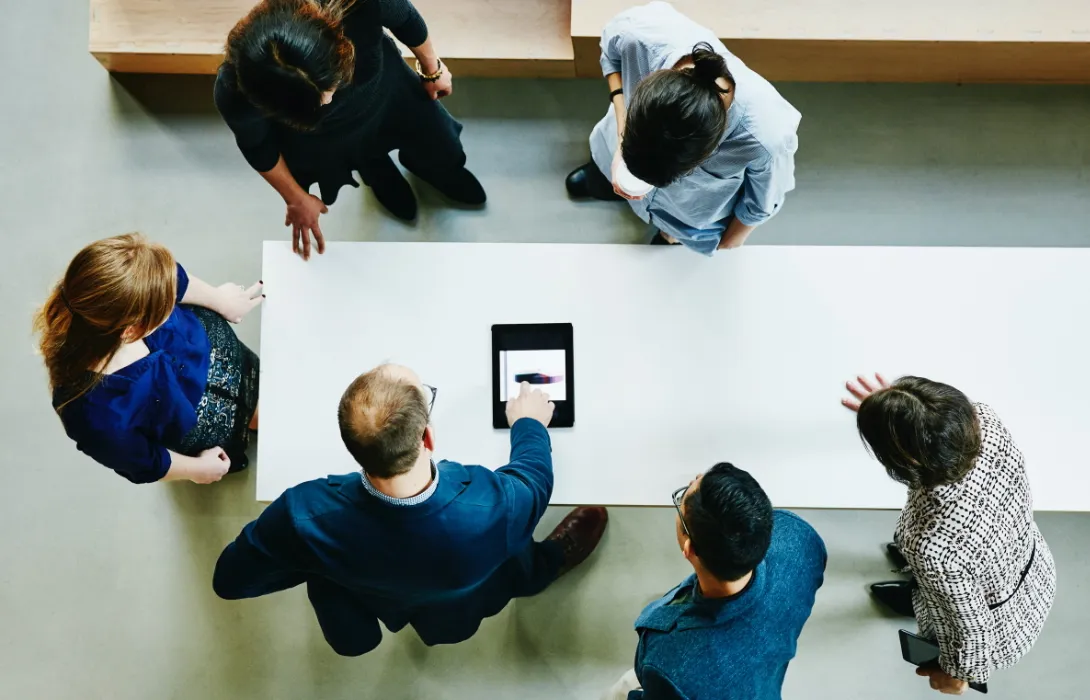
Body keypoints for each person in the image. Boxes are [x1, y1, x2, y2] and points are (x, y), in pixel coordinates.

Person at [212, 364, 608, 656]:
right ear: (428, 436)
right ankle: (545, 566)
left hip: (375, 596)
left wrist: (316, 561)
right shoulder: (493, 502)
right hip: (459, 603)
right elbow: (535, 478)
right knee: (513, 550)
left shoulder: (303, 515)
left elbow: (230, 581)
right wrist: (528, 423)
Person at [216, 0, 486, 260]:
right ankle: (378, 174)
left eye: (328, 88)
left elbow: (406, 19)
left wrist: (432, 69)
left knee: (441, 144)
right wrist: (295, 198)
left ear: (339, 43)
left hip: (389, 94)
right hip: (326, 138)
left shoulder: (361, 3)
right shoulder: (235, 88)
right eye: (315, 102)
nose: (328, 101)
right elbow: (257, 145)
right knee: (364, 158)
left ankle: (437, 170)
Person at [843, 374, 1057, 695]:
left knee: (936, 582)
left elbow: (971, 629)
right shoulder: (985, 419)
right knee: (934, 571)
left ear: (908, 459)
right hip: (1027, 565)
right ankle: (926, 587)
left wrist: (958, 674)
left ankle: (924, 593)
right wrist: (900, 415)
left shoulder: (930, 546)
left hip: (1000, 625)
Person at [566, 2, 800, 254]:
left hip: (686, 213)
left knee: (673, 234)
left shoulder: (766, 138)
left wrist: (728, 241)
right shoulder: (637, 34)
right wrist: (622, 136)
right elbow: (610, 52)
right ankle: (605, 174)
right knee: (607, 175)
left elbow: (760, 204)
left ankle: (670, 234)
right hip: (614, 147)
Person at [34, 233, 264, 484]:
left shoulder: (128, 280)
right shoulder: (90, 413)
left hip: (213, 352)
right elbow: (143, 460)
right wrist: (197, 469)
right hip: (198, 421)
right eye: (166, 306)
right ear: (131, 330)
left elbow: (174, 279)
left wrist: (222, 302)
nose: (174, 299)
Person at [603, 463, 826, 700]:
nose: (695, 479)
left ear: (689, 549)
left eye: (681, 500)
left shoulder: (671, 664)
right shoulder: (800, 540)